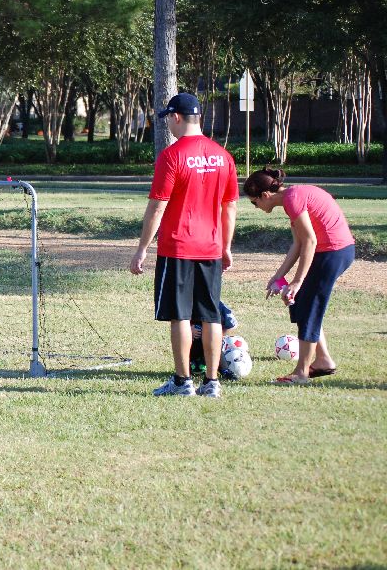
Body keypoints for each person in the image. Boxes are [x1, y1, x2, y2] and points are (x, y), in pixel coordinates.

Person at [129, 93, 238, 398]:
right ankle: (212, 383)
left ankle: (182, 381)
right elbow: (230, 206)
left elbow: (157, 206)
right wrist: (226, 246)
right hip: (211, 247)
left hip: (178, 247)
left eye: (168, 118)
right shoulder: (223, 156)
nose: (168, 123)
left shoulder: (172, 155)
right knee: (211, 315)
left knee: (181, 315)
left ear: (176, 117)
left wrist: (142, 249)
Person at [242, 168, 354, 385]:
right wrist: (278, 276)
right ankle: (323, 360)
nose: (256, 207)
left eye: (255, 203)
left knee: (310, 307)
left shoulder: (293, 199)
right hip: (331, 252)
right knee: (301, 302)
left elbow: (310, 241)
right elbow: (298, 244)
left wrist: (297, 281)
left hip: (333, 252)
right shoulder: (292, 198)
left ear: (265, 195)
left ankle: (301, 372)